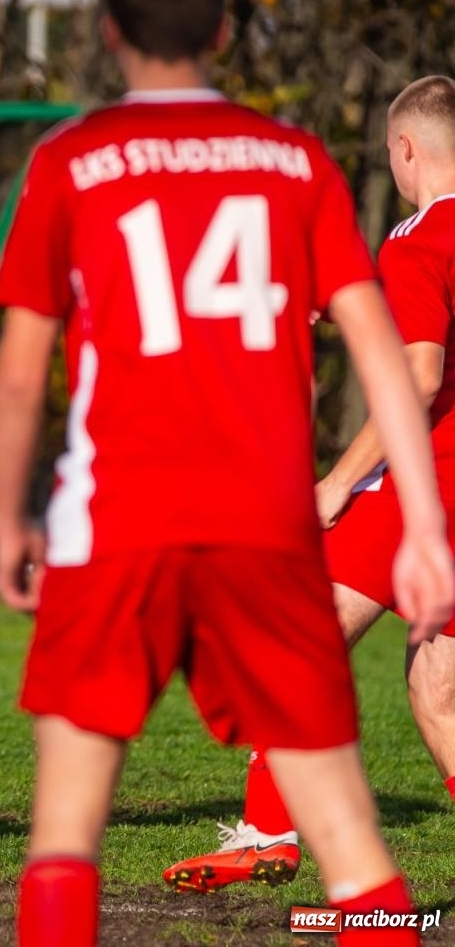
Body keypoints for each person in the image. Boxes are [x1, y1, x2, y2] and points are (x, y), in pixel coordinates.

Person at [0, 0, 453, 947]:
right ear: (225, 28)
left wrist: (4, 515)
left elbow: (21, 366)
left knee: (63, 835)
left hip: (119, 514)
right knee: (354, 848)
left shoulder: (69, 160)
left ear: (107, 32)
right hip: (258, 516)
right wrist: (417, 518)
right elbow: (389, 357)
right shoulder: (289, 160)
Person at [163, 74, 455, 894]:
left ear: (404, 149)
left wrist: (337, 480)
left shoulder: (420, 239)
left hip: (429, 482)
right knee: (438, 697)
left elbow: (421, 376)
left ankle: (266, 831)